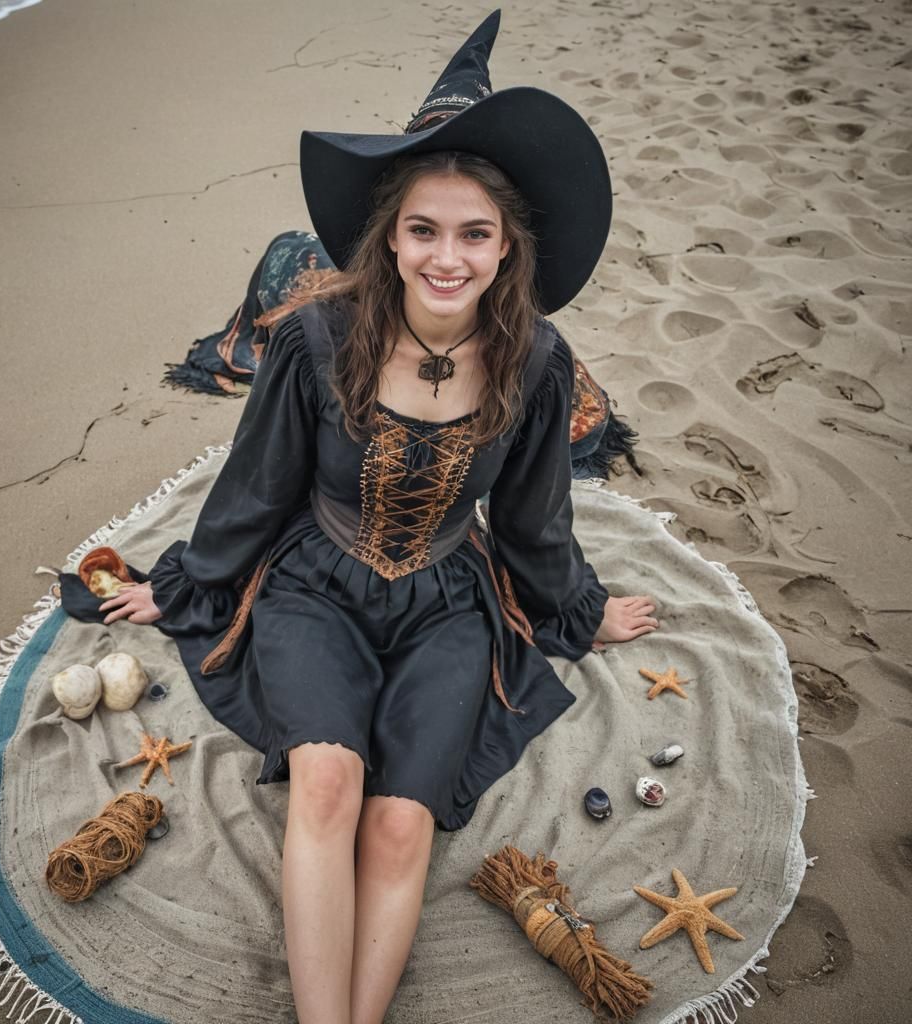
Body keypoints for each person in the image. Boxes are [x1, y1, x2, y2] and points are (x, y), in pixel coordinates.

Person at [65, 12, 658, 1022]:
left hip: (447, 599)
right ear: (389, 232)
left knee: (396, 826)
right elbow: (255, 487)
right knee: (326, 786)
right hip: (314, 583)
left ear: (507, 245)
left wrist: (577, 609)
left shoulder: (538, 362)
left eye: (475, 233)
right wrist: (187, 584)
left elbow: (532, 519)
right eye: (423, 228)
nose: (447, 257)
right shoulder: (313, 338)